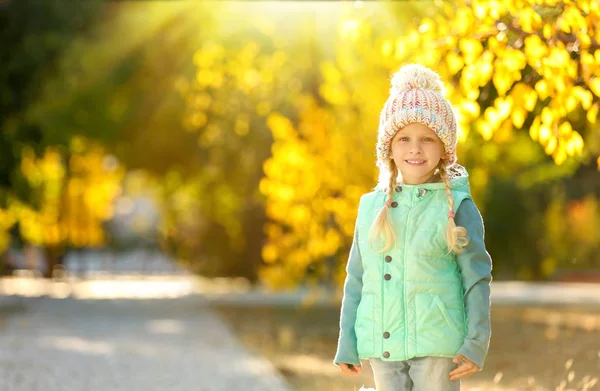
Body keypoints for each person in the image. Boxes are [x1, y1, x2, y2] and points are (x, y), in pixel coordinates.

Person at [333, 64, 493, 391]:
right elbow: (357, 277)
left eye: (427, 139)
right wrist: (347, 340)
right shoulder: (370, 208)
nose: (415, 149)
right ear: (389, 148)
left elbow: (476, 277)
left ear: (444, 149)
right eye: (403, 138)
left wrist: (476, 342)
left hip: (438, 342)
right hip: (383, 342)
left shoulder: (456, 207)